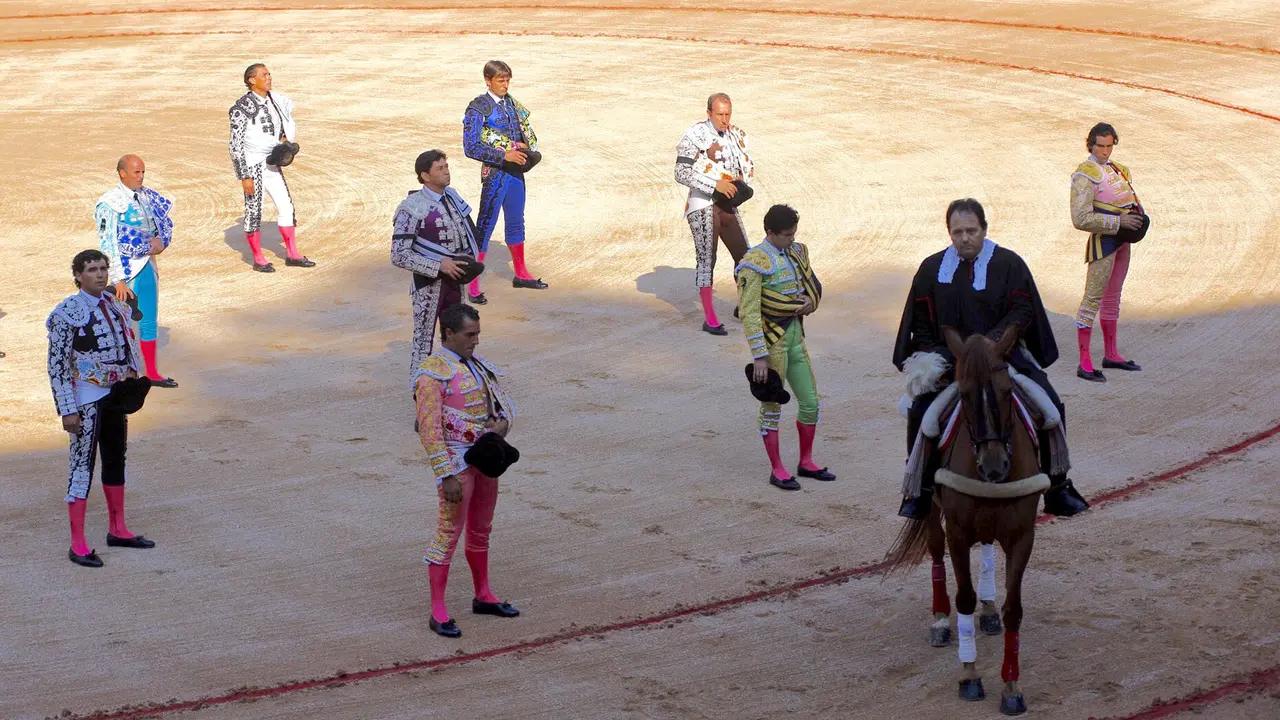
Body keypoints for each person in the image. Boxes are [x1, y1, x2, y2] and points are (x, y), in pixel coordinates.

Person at [893, 198, 1089, 519]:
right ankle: (920, 490)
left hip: (1004, 355)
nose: (964, 238)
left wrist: (994, 342)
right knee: (920, 411)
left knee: (1051, 406)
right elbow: (921, 323)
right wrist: (935, 356)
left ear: (984, 229)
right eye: (957, 232)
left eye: (971, 231)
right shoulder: (930, 269)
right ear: (949, 232)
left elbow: (1023, 310)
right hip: (950, 358)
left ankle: (1058, 487)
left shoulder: (1009, 264)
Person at [416, 304, 520, 638]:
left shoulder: (478, 365)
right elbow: (429, 430)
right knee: (448, 533)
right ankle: (438, 611)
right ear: (448, 333)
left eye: (477, 334)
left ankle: (483, 595)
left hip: (485, 460)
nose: (475, 341)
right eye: (469, 334)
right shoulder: (431, 374)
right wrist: (445, 475)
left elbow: (502, 408)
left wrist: (501, 426)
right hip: (457, 463)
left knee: (481, 529)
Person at [47, 250, 156, 568]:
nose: (100, 274)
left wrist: (134, 373)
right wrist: (67, 409)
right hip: (86, 397)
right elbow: (57, 365)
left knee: (115, 458)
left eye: (103, 268)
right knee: (81, 467)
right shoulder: (67, 312)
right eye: (92, 269)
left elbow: (128, 342)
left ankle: (118, 529)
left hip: (116, 393)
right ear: (78, 275)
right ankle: (78, 544)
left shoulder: (115, 303)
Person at [735, 205, 834, 491]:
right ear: (771, 233)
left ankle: (806, 462)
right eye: (787, 235)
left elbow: (810, 286)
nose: (792, 239)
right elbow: (749, 312)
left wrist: (811, 301)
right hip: (772, 343)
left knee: (811, 402)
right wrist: (759, 356)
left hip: (795, 338)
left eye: (794, 233)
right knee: (771, 405)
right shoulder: (754, 262)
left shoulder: (796, 252)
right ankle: (777, 469)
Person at [462, 60, 547, 302]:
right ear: (487, 80)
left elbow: (525, 134)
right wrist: (504, 155)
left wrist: (522, 146)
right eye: (501, 80)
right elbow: (471, 147)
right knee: (485, 225)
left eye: (508, 80)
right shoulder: (478, 108)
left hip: (516, 173)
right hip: (495, 174)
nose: (505, 85)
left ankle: (521, 274)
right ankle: (472, 283)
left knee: (516, 221)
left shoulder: (511, 104)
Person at [392, 150, 480, 374]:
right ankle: (420, 387)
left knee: (457, 336)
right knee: (424, 341)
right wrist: (438, 265)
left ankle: (456, 382)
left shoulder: (453, 197)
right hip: (428, 285)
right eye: (439, 168)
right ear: (425, 176)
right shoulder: (411, 206)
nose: (446, 172)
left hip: (455, 281)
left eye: (446, 166)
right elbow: (399, 254)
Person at [95, 154, 178, 388]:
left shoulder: (147, 196)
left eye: (143, 172)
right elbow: (107, 242)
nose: (141, 177)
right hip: (127, 271)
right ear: (123, 173)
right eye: (136, 172)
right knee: (121, 325)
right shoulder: (109, 202)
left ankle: (151, 372)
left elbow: (161, 227)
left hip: (147, 265)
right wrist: (117, 279)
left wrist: (161, 242)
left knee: (149, 319)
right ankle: (122, 375)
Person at [1070, 122, 1144, 381]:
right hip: (1104, 242)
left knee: (1113, 297)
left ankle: (1111, 354)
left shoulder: (1118, 169)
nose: (1104, 151)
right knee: (1092, 299)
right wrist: (1118, 222)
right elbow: (1080, 218)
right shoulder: (1084, 175)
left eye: (1109, 146)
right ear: (1090, 145)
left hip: (1122, 241)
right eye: (1100, 146)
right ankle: (1084, 362)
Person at [677, 93, 755, 336]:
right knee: (707, 260)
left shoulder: (736, 135)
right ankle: (709, 318)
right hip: (702, 204)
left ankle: (744, 306)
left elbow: (741, 166)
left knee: (746, 257)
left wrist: (739, 180)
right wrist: (715, 185)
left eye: (727, 114)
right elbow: (681, 172)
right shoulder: (695, 134)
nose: (724, 119)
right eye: (719, 114)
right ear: (708, 113)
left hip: (727, 203)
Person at [229, 62, 315, 272]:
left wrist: (284, 142)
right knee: (254, 212)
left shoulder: (275, 102)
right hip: (253, 165)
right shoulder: (241, 108)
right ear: (252, 80)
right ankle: (258, 259)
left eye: (269, 74)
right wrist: (244, 176)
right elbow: (235, 145)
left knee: (286, 206)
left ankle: (292, 254)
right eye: (263, 75)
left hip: (271, 164)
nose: (268, 78)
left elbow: (280, 128)